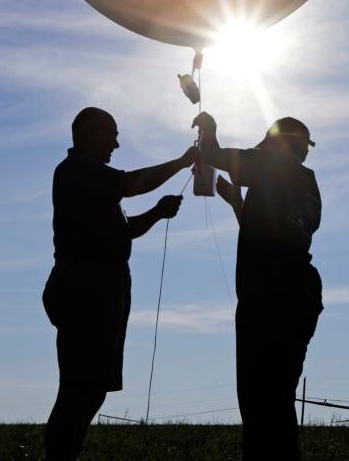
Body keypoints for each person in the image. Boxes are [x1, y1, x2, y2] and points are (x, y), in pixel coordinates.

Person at [42, 107, 196, 461]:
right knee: (78, 389)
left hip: (101, 291)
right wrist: (183, 161)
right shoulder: (79, 170)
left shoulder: (92, 179)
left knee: (92, 389)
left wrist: (157, 213)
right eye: (111, 134)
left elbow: (124, 231)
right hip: (85, 290)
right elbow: (129, 184)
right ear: (89, 134)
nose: (117, 142)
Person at [196, 111, 322, 461]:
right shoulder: (307, 183)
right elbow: (272, 232)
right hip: (299, 293)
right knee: (278, 396)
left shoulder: (271, 165)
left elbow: (214, 155)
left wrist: (209, 131)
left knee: (256, 400)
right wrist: (237, 203)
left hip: (268, 295)